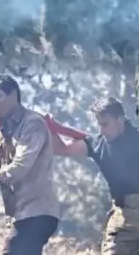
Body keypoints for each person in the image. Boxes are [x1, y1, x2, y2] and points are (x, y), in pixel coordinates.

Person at [0, 74, 59, 255]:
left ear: (14, 94)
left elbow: (19, 168)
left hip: (37, 211)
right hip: (18, 216)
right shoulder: (0, 131)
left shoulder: (33, 124)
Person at [49, 96, 139, 254]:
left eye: (105, 124)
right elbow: (59, 148)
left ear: (120, 119)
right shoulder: (98, 144)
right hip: (124, 220)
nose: (102, 130)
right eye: (99, 124)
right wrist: (47, 127)